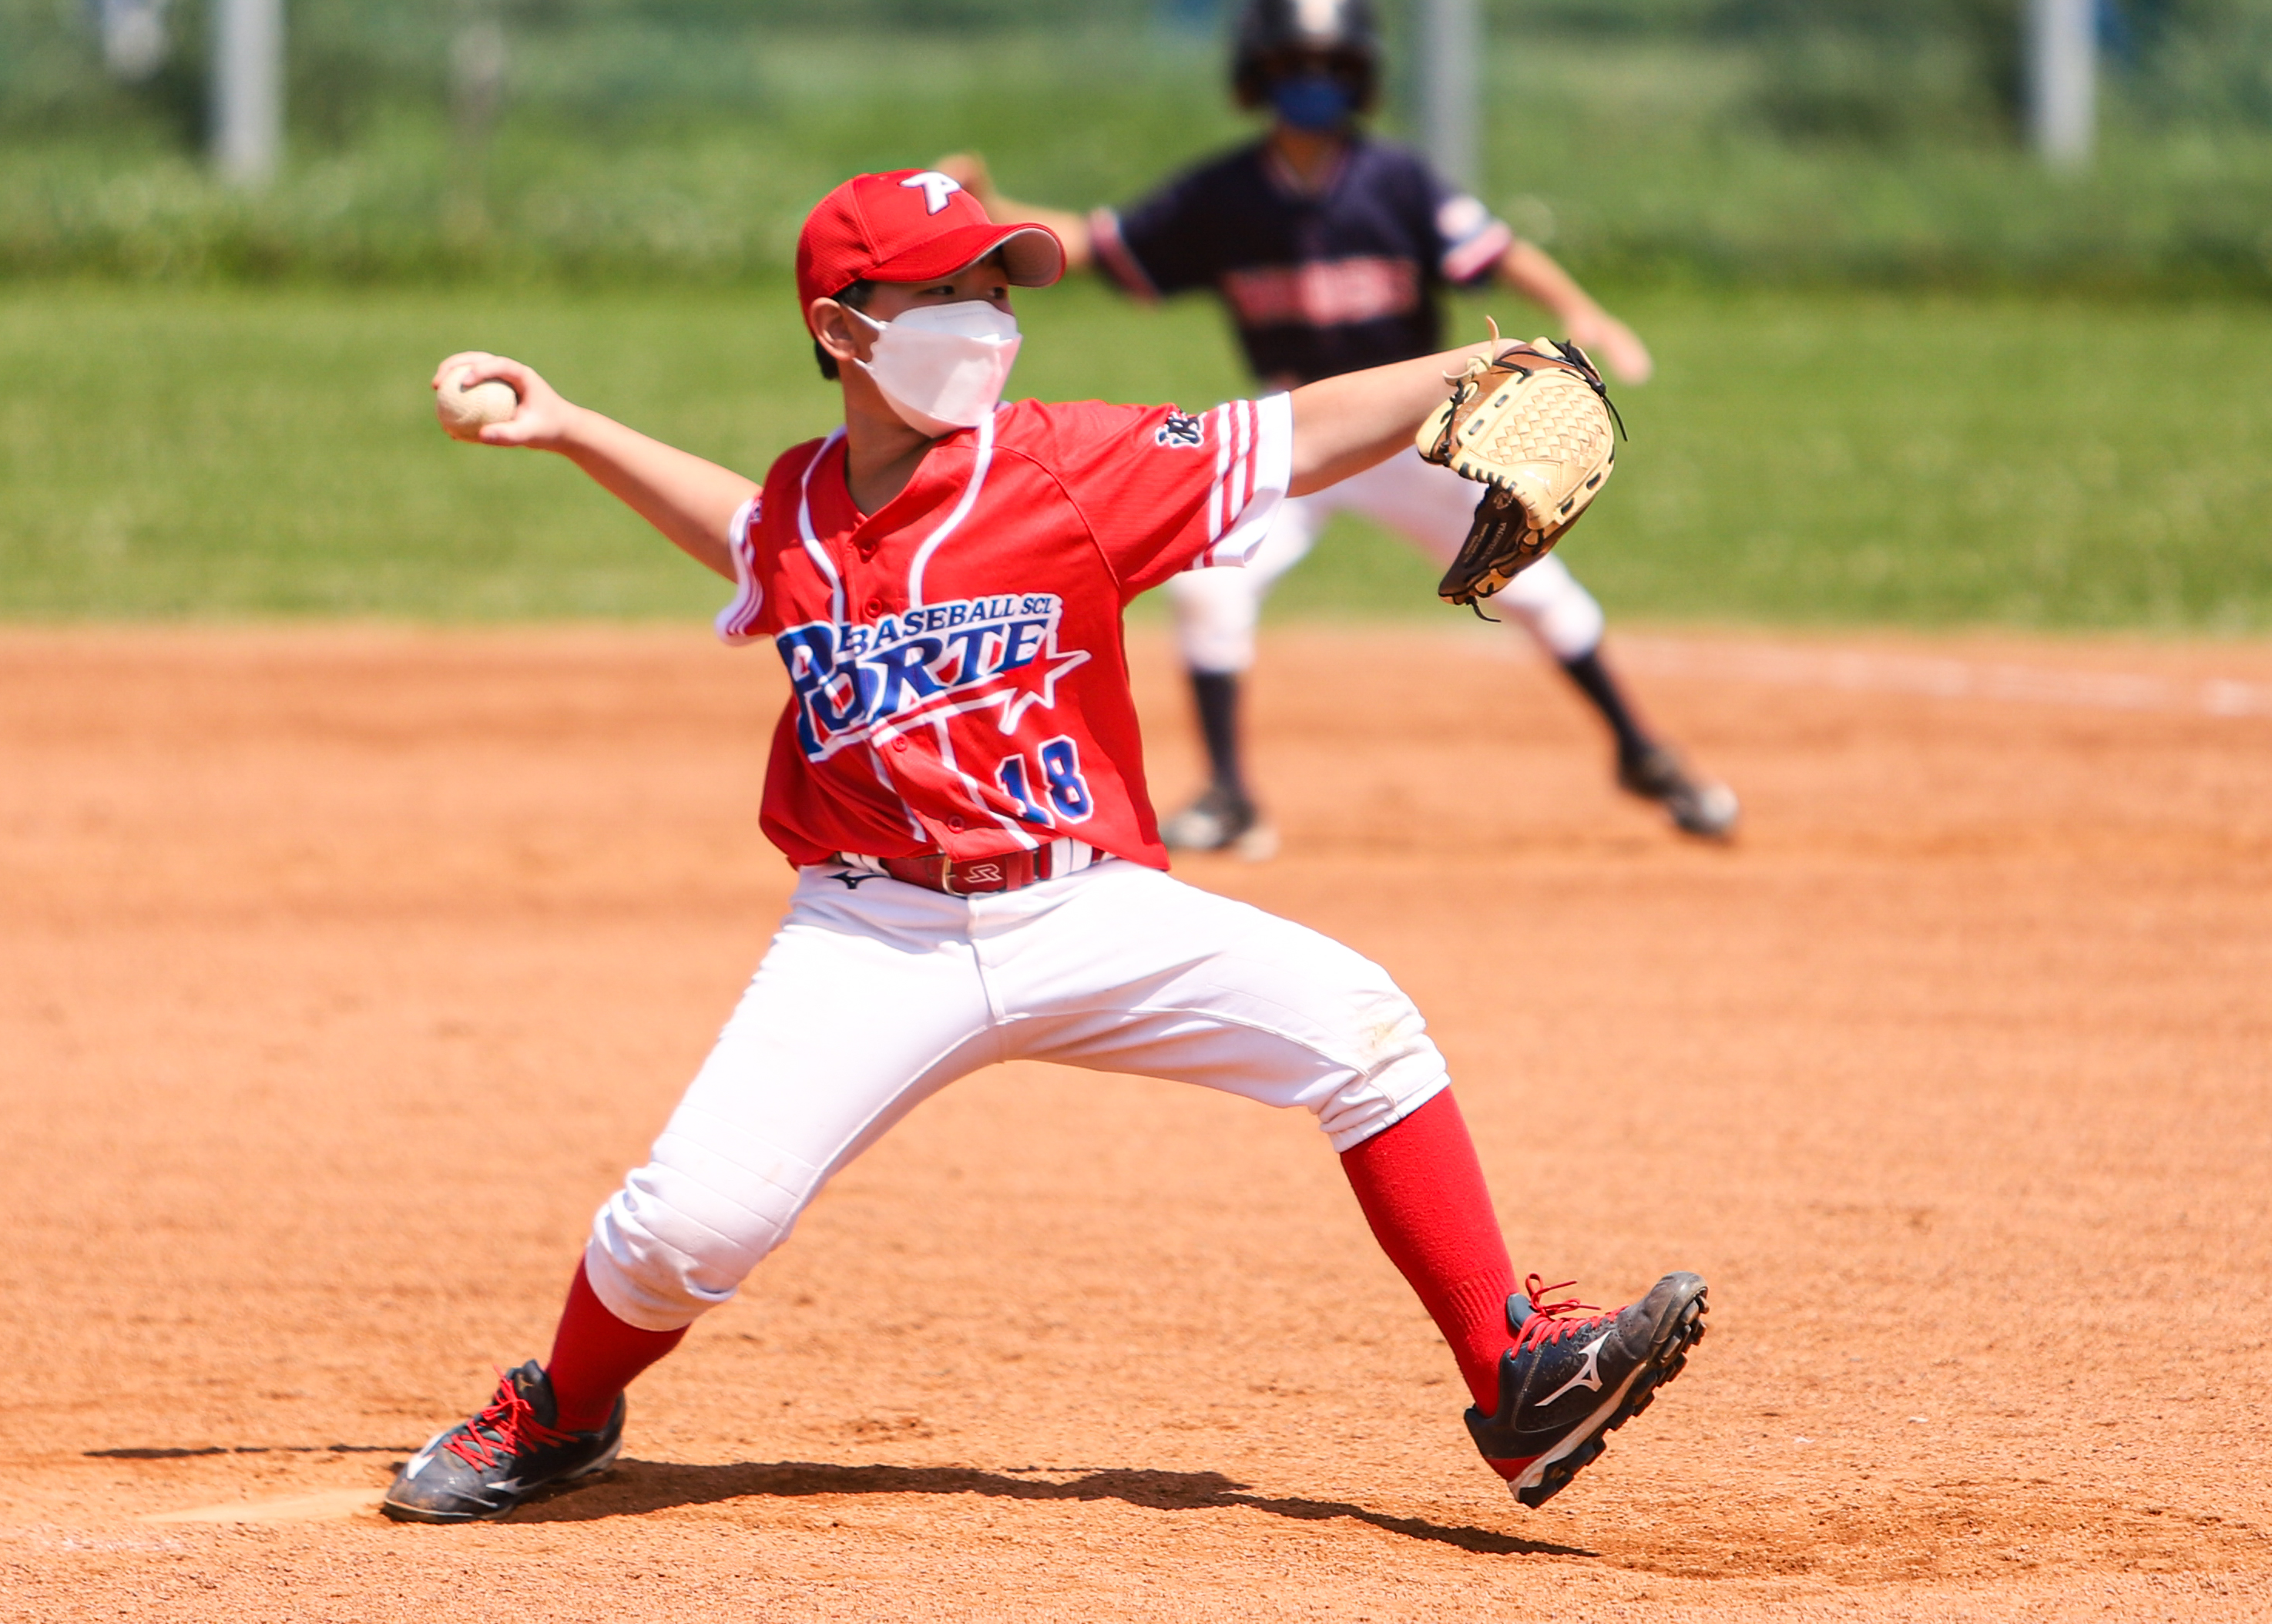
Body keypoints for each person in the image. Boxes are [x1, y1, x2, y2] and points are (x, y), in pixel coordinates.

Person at [381, 167, 1706, 1525]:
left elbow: (1288, 432)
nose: (987, 317)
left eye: (997, 289)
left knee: (1361, 1025)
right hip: (872, 931)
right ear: (841, 329)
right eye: (946, 290)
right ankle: (561, 1409)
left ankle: (1516, 1377)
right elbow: (747, 535)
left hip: (1084, 910)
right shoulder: (802, 505)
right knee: (683, 1229)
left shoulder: (1066, 469)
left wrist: (1475, 366)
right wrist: (573, 428)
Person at [938, 0, 1737, 857]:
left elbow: (1497, 251)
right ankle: (1231, 797)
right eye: (1291, 66)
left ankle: (1643, 754)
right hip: (1292, 431)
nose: (1311, 84)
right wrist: (992, 211)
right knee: (1210, 589)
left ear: (1361, 77)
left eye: (1330, 67)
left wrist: (1579, 308)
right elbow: (1101, 244)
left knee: (1533, 585)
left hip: (1412, 433)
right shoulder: (1224, 194)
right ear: (1257, 77)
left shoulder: (1396, 181)